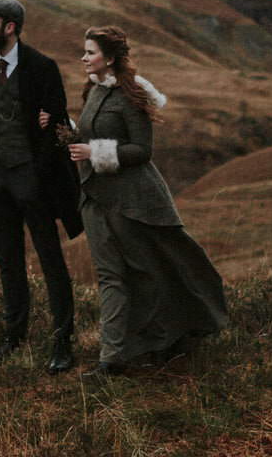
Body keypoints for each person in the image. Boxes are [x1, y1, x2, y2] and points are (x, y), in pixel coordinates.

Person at [60, 25, 227, 378]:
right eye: (85, 51)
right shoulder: (91, 91)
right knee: (109, 275)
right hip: (95, 196)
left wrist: (95, 152)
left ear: (109, 57)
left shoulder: (131, 95)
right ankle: (113, 358)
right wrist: (67, 132)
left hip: (132, 199)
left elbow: (142, 150)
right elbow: (92, 136)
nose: (83, 57)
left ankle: (169, 339)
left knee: (146, 271)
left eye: (90, 52)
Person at [0, 0, 83, 374]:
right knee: (8, 263)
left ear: (10, 27)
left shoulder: (42, 67)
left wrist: (36, 175)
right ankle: (14, 338)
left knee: (50, 259)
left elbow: (57, 127)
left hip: (32, 180)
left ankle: (62, 342)